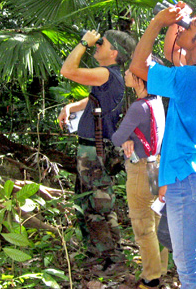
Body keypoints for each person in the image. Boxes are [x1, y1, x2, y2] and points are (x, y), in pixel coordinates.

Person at [130, 2, 196, 289]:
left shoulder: (189, 78)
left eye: (193, 26)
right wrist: (178, 22)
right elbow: (172, 53)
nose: (188, 25)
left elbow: (139, 66)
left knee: (189, 267)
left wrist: (157, 24)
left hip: (187, 178)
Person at [57, 29, 136, 257]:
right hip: (91, 148)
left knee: (95, 206)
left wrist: (84, 42)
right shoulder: (110, 76)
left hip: (94, 150)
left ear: (114, 53)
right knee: (93, 201)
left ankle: (107, 255)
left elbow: (67, 70)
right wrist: (72, 106)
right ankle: (105, 250)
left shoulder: (107, 74)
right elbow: (95, 99)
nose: (97, 46)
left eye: (102, 43)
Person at [111, 63, 168, 288]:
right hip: (157, 165)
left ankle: (151, 277)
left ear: (138, 79)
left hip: (140, 170)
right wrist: (130, 139)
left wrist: (125, 140)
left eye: (128, 72)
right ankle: (160, 268)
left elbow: (116, 138)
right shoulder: (157, 101)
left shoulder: (137, 107)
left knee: (143, 226)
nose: (125, 74)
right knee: (155, 219)